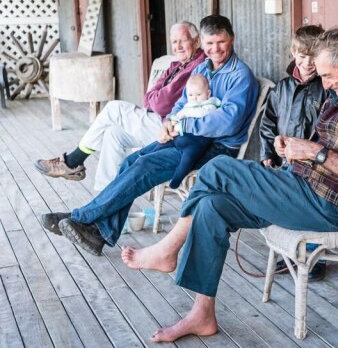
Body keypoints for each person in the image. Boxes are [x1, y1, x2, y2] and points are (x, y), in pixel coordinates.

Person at [120, 29, 338, 342]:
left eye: (328, 76)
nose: (324, 84)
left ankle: (166, 250)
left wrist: (314, 152)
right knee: (211, 206)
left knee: (218, 168)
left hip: (330, 206)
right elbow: (333, 147)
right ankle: (201, 314)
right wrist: (296, 149)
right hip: (300, 186)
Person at [40, 14, 259, 257]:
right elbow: (181, 103)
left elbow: (227, 122)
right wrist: (169, 123)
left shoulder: (241, 76)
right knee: (131, 161)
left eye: (221, 42)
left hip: (215, 149)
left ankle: (80, 217)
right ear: (203, 43)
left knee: (145, 165)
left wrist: (183, 125)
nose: (215, 49)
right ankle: (100, 233)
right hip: (183, 138)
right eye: (210, 43)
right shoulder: (201, 68)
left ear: (232, 39)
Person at [34, 21, 206, 191]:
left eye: (183, 40)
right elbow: (148, 98)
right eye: (174, 42)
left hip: (173, 131)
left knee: (113, 108)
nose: (178, 46)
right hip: (158, 123)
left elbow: (160, 105)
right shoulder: (176, 65)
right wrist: (155, 98)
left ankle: (73, 161)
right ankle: (105, 198)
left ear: (196, 41)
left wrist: (156, 98)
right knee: (112, 134)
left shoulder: (197, 66)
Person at [259, 24, 329, 280]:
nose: (308, 63)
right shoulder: (283, 87)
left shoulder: (326, 88)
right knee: (279, 202)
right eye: (302, 56)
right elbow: (268, 121)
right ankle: (288, 252)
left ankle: (314, 257)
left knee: (305, 204)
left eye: (313, 57)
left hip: (312, 164)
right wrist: (268, 150)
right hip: (283, 159)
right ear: (293, 53)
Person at [151, 74, 221, 189]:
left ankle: (177, 179)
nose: (194, 98)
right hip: (180, 136)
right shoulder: (188, 105)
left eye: (199, 94)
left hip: (197, 140)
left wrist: (185, 114)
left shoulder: (210, 105)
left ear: (208, 94)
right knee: (164, 143)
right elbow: (178, 114)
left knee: (189, 158)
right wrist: (173, 121)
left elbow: (201, 113)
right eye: (191, 95)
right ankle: (152, 153)